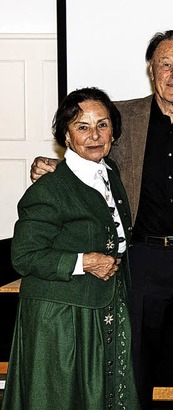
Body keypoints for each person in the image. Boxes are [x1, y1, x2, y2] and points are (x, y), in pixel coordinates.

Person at [30, 29, 173, 409]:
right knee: (133, 357)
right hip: (139, 258)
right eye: (165, 65)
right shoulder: (121, 118)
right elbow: (90, 153)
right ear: (150, 69)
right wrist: (57, 167)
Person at [4, 88, 138, 409]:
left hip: (102, 308)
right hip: (60, 319)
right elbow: (24, 255)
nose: (94, 135)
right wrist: (83, 262)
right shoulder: (50, 189)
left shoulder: (110, 174)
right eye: (82, 127)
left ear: (113, 132)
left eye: (102, 125)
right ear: (66, 134)